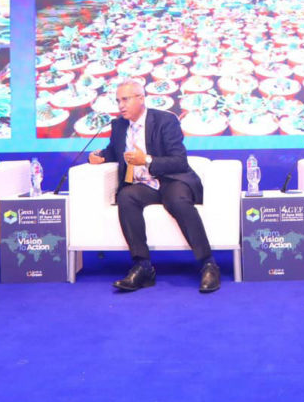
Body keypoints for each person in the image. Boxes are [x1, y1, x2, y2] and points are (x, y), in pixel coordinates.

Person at [89, 79, 220, 293]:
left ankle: (208, 264)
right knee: (126, 196)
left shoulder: (165, 120)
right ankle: (143, 267)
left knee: (177, 200)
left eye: (125, 99)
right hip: (144, 184)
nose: (121, 105)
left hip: (172, 179)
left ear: (141, 98)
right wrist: (99, 156)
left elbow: (179, 161)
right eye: (118, 100)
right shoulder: (119, 125)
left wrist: (147, 160)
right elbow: (114, 150)